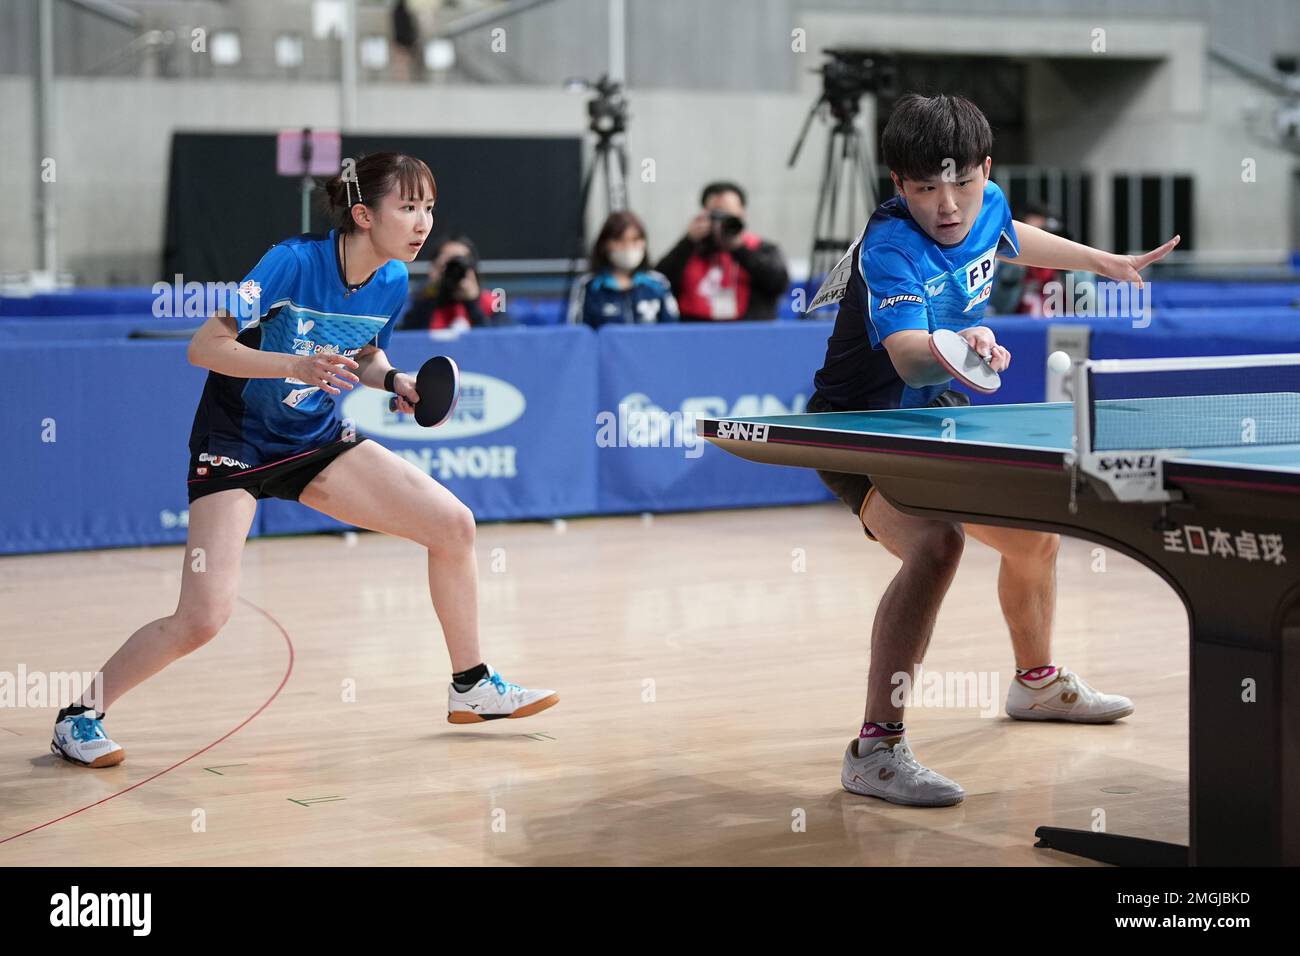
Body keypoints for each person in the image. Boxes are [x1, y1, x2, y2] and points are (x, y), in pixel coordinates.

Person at [51, 152, 558, 769]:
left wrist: (393, 378)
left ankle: (471, 684)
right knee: (203, 617)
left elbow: (362, 352)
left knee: (453, 526)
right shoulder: (292, 261)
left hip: (316, 442)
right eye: (408, 207)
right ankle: (80, 715)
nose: (423, 222)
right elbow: (204, 347)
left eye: (428, 207)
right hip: (236, 442)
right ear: (365, 215)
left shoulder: (394, 279)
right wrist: (294, 365)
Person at [807, 93, 1179, 806]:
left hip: (933, 417)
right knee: (937, 546)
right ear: (897, 185)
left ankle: (1036, 686)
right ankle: (874, 749)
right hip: (861, 427)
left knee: (1035, 536)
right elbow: (912, 359)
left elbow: (1008, 234)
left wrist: (1104, 262)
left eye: (962, 186)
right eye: (923, 191)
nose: (947, 207)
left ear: (985, 169)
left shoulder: (988, 203)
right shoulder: (891, 248)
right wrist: (961, 342)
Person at [655, 181, 788, 322]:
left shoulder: (761, 248)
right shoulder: (690, 249)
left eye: (728, 214)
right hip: (696, 333)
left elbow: (778, 283)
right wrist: (687, 242)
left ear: (742, 214)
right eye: (717, 214)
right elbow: (659, 282)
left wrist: (738, 248)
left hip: (749, 333)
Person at [569, 211, 678, 328]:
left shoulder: (658, 284)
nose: (628, 247)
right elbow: (579, 332)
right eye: (620, 241)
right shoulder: (589, 286)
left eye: (635, 240)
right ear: (605, 245)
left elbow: (671, 330)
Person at [401, 235, 509, 331]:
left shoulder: (491, 302)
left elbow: (499, 344)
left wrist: (472, 303)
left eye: (460, 263)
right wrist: (433, 291)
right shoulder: (419, 299)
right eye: (448, 264)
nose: (454, 270)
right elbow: (410, 338)